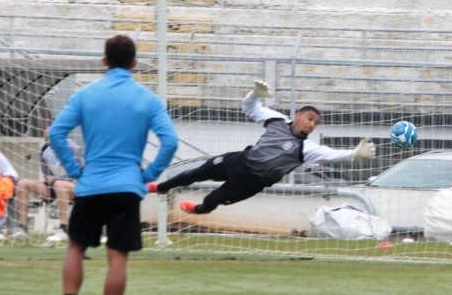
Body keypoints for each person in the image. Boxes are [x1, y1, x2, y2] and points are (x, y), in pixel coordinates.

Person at [49, 34, 178, 295]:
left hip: (91, 183)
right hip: (127, 185)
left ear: (104, 61)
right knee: (118, 254)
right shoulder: (148, 99)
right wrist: (148, 175)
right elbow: (171, 142)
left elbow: (57, 133)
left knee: (75, 246)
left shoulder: (84, 95)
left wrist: (74, 170)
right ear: (134, 63)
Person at [147, 80, 376, 215]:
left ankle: (197, 211)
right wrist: (254, 94)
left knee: (213, 201)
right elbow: (248, 107)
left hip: (252, 182)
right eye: (309, 118)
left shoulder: (306, 148)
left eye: (316, 122)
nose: (312, 124)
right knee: (194, 173)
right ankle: (161, 187)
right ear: (297, 115)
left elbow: (331, 154)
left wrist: (354, 153)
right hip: (238, 161)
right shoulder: (276, 120)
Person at [14, 123, 83, 242]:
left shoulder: (71, 147)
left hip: (76, 187)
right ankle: (23, 228)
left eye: (50, 130)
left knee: (59, 185)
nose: (46, 133)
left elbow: (83, 172)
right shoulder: (45, 149)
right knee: (22, 184)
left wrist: (57, 180)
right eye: (45, 130)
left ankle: (63, 230)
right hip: (54, 186)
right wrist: (48, 179)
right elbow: (47, 174)